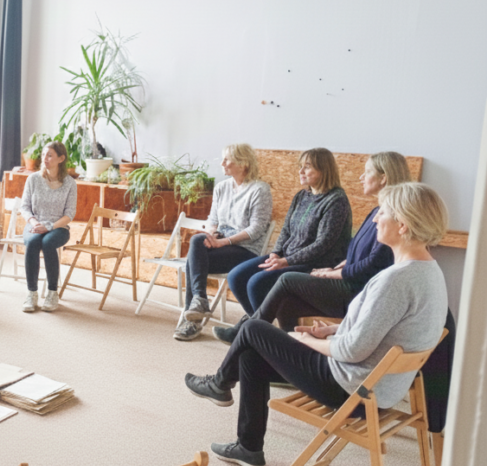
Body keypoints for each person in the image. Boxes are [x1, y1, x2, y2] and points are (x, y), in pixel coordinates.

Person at [184, 182, 448, 466]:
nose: (375, 219)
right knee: (251, 354)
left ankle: (220, 384)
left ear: (403, 225)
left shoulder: (394, 281)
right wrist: (332, 331)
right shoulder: (430, 273)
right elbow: (387, 329)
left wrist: (306, 341)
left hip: (350, 388)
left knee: (252, 329)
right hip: (379, 389)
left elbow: (352, 351)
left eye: (382, 213)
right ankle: (248, 447)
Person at [244, 152, 411, 335]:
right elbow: (357, 250)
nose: (361, 177)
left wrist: (332, 273)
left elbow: (373, 264)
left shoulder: (390, 217)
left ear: (383, 178)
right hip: (348, 278)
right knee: (285, 302)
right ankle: (276, 342)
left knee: (285, 279)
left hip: (357, 289)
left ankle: (249, 331)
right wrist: (343, 264)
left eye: (367, 172)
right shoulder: (376, 211)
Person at [217, 148, 352, 343]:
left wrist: (286, 261)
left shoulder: (336, 200)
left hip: (315, 263)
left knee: (257, 283)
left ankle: (253, 334)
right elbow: (286, 230)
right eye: (300, 167)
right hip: (286, 256)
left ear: (324, 170)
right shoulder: (301, 196)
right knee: (236, 276)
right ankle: (255, 328)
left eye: (307, 167)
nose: (301, 171)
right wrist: (275, 253)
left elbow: (322, 245)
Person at [174, 144, 273, 341]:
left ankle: (192, 320)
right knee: (198, 240)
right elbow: (213, 221)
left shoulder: (259, 190)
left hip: (245, 250)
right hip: (221, 245)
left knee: (193, 262)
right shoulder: (222, 187)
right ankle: (199, 300)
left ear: (243, 163)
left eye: (227, 160)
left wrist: (224, 242)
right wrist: (212, 236)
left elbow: (256, 229)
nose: (222, 164)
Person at [19, 140, 77, 313]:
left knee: (48, 243)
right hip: (35, 224)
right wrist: (35, 223)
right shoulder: (33, 179)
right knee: (32, 242)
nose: (45, 158)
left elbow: (69, 215)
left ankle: (52, 293)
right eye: (43, 154)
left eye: (50, 155)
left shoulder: (70, 183)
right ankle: (32, 293)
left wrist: (50, 226)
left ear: (61, 159)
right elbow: (25, 207)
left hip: (59, 227)